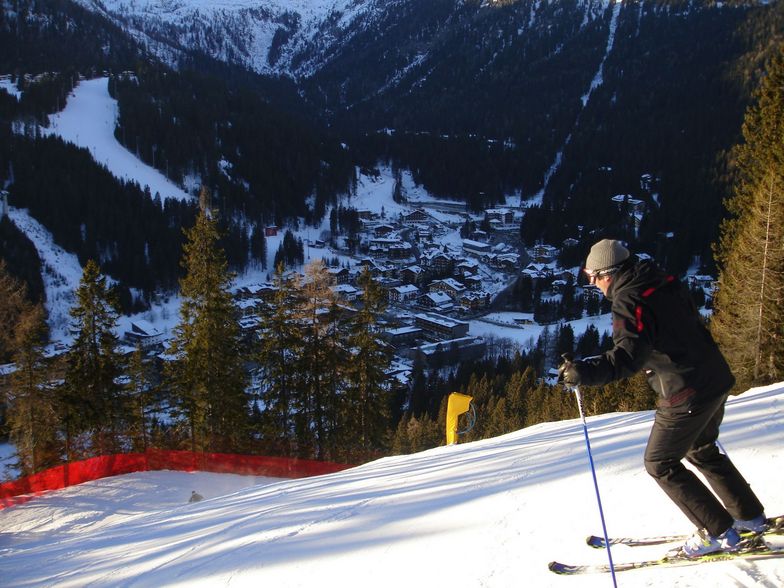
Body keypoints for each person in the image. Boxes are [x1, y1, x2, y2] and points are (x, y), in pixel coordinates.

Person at [558, 238, 767, 558]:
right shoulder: (658, 279)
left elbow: (627, 358)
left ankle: (718, 532)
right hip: (715, 376)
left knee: (660, 463)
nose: (592, 284)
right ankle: (750, 516)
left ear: (607, 274)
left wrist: (583, 373)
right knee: (702, 448)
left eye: (592, 277)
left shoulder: (629, 299)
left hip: (685, 390)